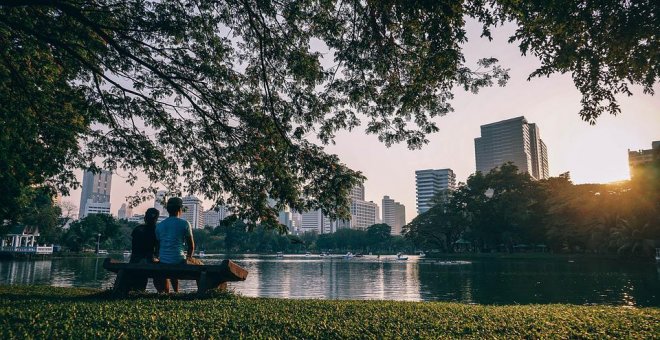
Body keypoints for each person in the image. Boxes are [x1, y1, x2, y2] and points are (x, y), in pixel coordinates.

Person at [155, 197, 200, 292]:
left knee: (171, 262)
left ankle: (175, 292)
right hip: (179, 260)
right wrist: (189, 257)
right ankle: (177, 291)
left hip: (163, 261)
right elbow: (191, 246)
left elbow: (158, 247)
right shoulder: (185, 224)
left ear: (167, 210)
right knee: (200, 265)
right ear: (180, 209)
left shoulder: (159, 226)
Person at [128, 208, 160, 291]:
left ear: (145, 218)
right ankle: (163, 291)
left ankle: (136, 289)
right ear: (156, 219)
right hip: (148, 259)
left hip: (135, 259)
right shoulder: (157, 231)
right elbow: (157, 250)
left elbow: (134, 247)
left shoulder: (137, 229)